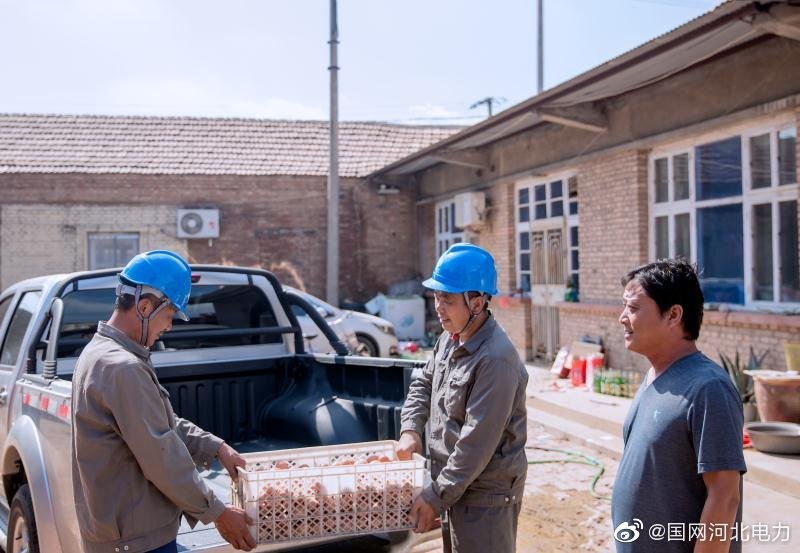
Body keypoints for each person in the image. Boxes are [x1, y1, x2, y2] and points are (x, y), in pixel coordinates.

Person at [71, 250, 256, 553]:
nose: (169, 326)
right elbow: (161, 454)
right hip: (137, 543)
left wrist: (215, 447)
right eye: (169, 315)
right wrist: (218, 512)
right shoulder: (123, 367)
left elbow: (158, 422)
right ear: (145, 306)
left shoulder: (103, 352)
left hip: (127, 536)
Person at [396, 243, 528, 553]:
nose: (438, 308)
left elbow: (475, 444)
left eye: (448, 300)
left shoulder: (495, 359)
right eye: (436, 297)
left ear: (477, 303)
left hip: (485, 500)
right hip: (454, 487)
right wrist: (410, 429)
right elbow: (424, 382)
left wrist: (434, 496)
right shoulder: (450, 338)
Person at [612, 259, 747, 553]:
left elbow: (725, 497)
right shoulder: (655, 376)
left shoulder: (708, 388)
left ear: (673, 315)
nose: (622, 317)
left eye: (633, 307)